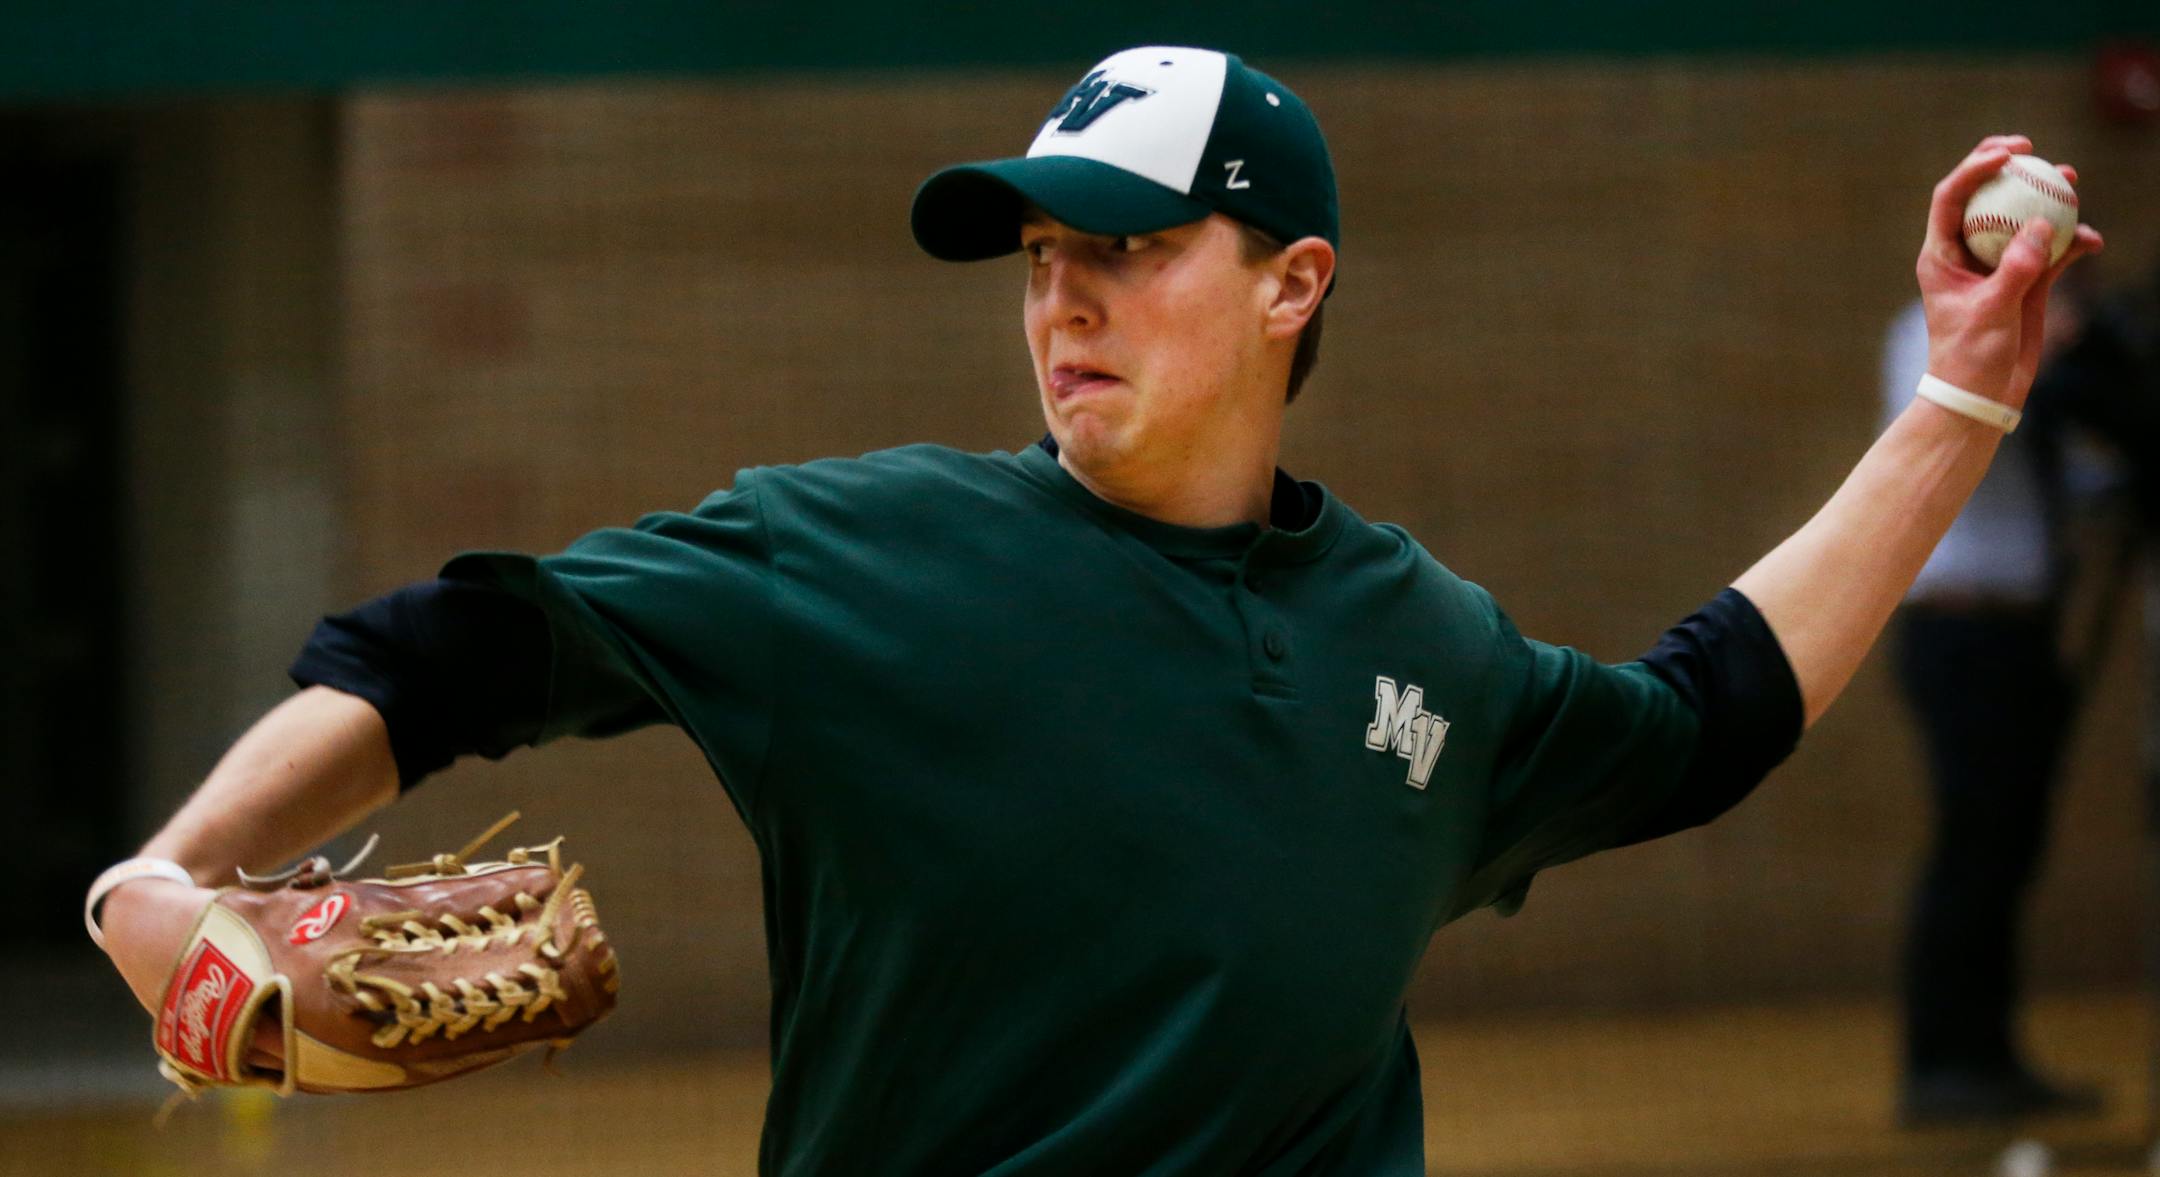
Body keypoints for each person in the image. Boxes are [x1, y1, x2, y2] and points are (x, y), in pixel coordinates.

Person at [86, 47, 2099, 1175]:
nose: (1063, 295)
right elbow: (450, 651)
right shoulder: (853, 558)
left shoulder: (1419, 640)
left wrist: (1965, 400)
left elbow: (1707, 720)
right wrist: (165, 877)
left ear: (1293, 284)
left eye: (1130, 247)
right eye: (1043, 251)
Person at [1881, 287, 2104, 1124]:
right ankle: (1942, 1059)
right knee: (1974, 841)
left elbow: (2065, 468)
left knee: (2008, 844)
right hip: (1961, 629)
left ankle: (1989, 1052)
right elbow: (1963, 427)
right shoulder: (1931, 328)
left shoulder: (2033, 337)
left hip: (2019, 632)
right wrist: (2048, 359)